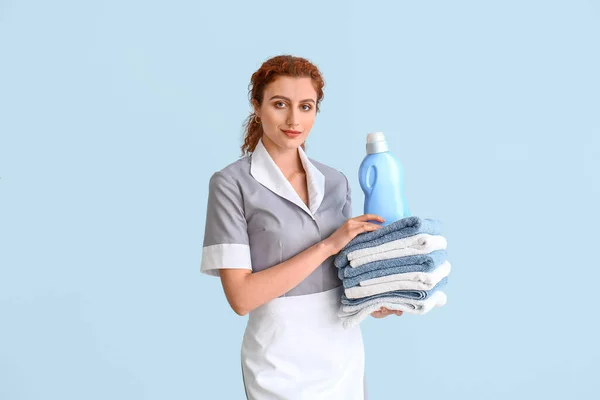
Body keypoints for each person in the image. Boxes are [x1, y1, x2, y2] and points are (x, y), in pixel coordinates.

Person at [200, 55, 403, 400]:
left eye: (306, 107)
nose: (294, 119)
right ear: (257, 105)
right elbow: (241, 297)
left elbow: (344, 278)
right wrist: (327, 245)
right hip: (278, 363)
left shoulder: (335, 181)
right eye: (280, 104)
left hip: (342, 357)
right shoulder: (231, 184)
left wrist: (376, 301)